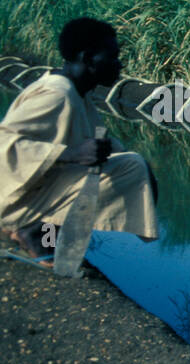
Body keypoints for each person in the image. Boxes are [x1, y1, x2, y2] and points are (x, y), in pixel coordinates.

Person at [0, 18, 159, 266]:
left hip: (24, 197)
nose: (119, 64)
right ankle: (33, 230)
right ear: (87, 58)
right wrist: (71, 154)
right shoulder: (57, 94)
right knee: (132, 168)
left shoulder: (76, 92)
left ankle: (39, 230)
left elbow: (92, 139)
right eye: (113, 56)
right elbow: (3, 142)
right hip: (10, 203)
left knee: (131, 164)